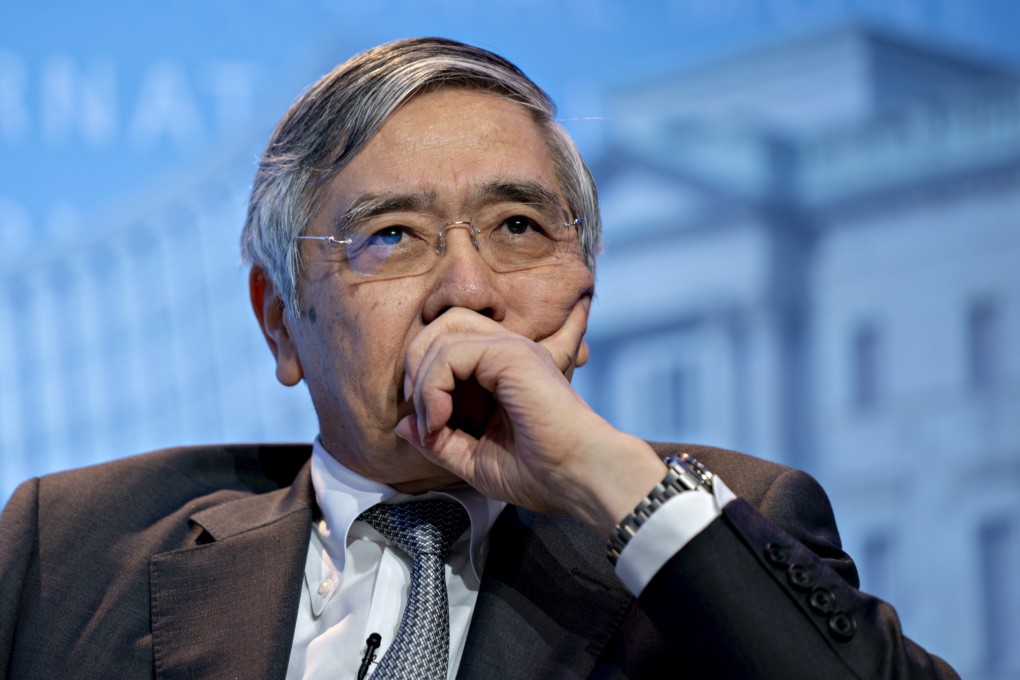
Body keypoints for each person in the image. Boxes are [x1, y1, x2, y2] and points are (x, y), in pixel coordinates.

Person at [0, 37, 958, 679]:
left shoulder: (719, 535)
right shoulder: (71, 546)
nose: (468, 289)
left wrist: (601, 473)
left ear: (585, 283)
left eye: (518, 225)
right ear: (279, 324)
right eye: (391, 236)